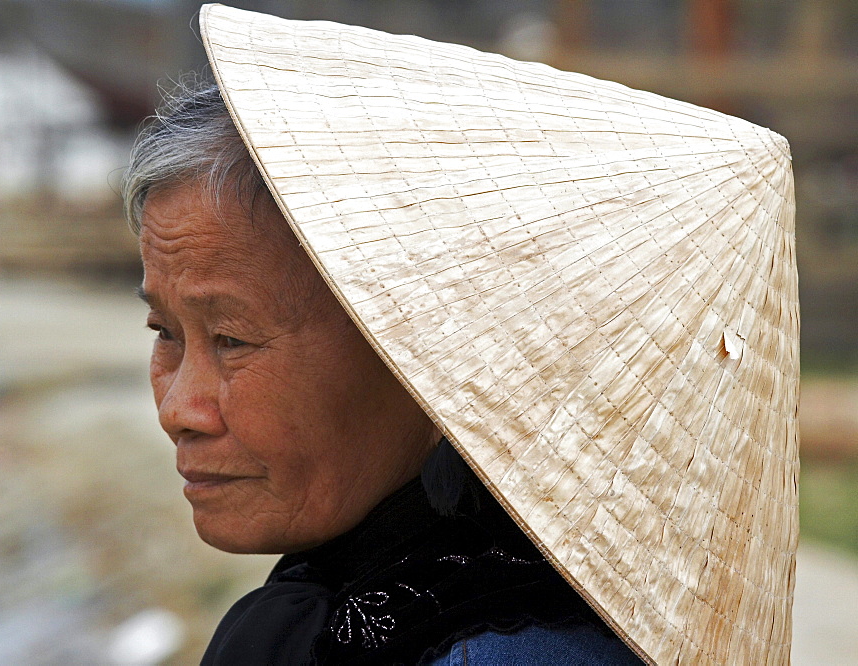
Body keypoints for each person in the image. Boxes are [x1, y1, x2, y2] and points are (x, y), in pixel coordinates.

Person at [121, 5, 799, 665]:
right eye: (166, 332)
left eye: (233, 341)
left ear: (409, 350)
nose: (179, 410)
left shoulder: (500, 647)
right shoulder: (366, 592)